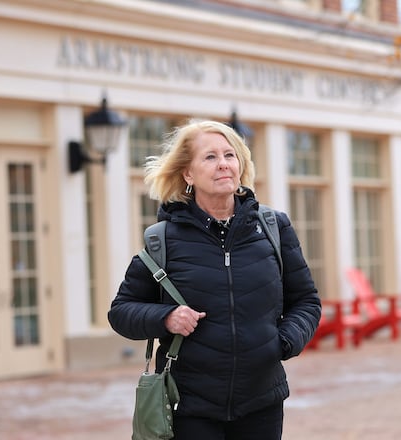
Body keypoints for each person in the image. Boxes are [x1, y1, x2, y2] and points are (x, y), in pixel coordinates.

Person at [108, 119, 321, 440]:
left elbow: (306, 301)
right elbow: (121, 311)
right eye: (210, 157)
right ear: (188, 174)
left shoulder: (274, 229)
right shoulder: (163, 239)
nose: (223, 164)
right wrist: (165, 318)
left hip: (261, 401)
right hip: (190, 405)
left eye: (229, 155)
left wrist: (283, 342)